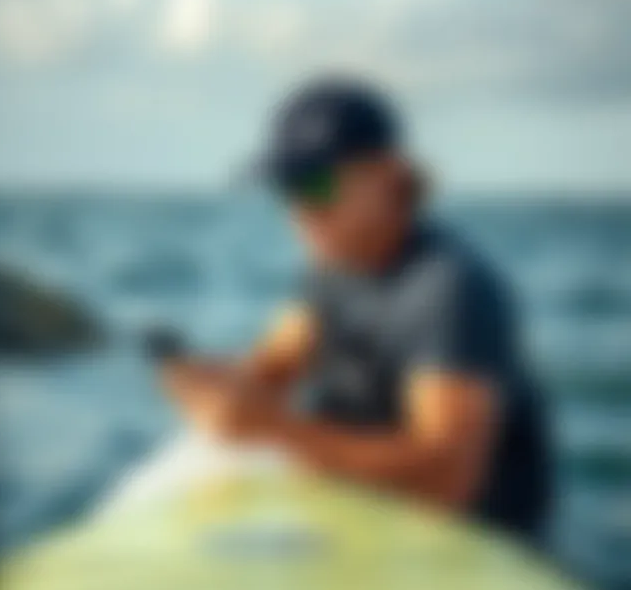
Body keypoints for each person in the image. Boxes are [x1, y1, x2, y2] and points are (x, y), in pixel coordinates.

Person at [160, 76, 552, 544]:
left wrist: (271, 429)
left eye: (317, 184)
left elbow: (447, 481)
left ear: (390, 177)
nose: (300, 209)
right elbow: (275, 367)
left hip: (466, 547)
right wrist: (218, 387)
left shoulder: (450, 289)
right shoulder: (332, 269)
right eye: (287, 188)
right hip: (372, 518)